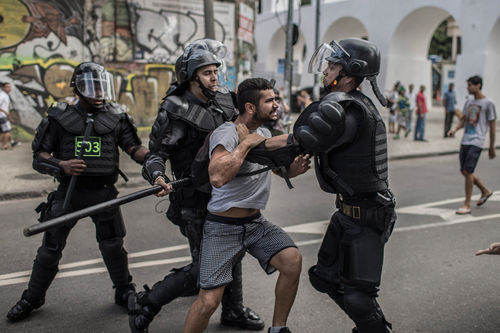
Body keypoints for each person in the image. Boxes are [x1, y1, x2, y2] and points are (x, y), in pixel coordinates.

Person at [131, 39, 264, 332]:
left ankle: (233, 310)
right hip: (192, 199)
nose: (215, 76)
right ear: (191, 77)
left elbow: (244, 132)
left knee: (232, 251)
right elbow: (156, 154)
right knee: (207, 265)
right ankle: (148, 301)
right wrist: (157, 176)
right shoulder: (175, 109)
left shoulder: (226, 100)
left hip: (225, 192)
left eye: (216, 70)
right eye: (207, 72)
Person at [6, 62, 148, 322]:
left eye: (101, 87)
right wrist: (62, 165)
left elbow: (132, 148)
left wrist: (153, 159)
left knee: (113, 245)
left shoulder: (116, 115)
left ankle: (123, 291)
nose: (98, 93)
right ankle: (32, 297)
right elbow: (39, 157)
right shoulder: (59, 116)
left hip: (103, 192)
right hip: (69, 194)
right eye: (92, 87)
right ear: (79, 88)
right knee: (50, 248)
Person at [182, 78, 309, 333]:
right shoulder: (226, 133)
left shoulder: (262, 134)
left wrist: (292, 170)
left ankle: (278, 329)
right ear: (250, 107)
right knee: (209, 301)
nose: (277, 105)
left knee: (291, 260)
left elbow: (273, 169)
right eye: (270, 100)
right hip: (222, 226)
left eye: (276, 99)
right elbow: (217, 176)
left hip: (254, 224)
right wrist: (245, 143)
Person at [300, 38, 396, 332]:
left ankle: (374, 328)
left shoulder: (347, 110)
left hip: (368, 215)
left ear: (350, 72)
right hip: (348, 212)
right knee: (324, 277)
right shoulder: (353, 104)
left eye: (332, 66)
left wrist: (251, 144)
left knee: (357, 296)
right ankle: (369, 323)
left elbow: (300, 142)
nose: (326, 70)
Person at [447, 75, 496, 215]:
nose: (468, 88)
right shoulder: (469, 102)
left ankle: (467, 204)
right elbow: (464, 120)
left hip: (477, 141)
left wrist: (492, 146)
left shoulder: (488, 103)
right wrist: (455, 129)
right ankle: (485, 191)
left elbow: (492, 126)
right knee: (464, 171)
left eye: (470, 85)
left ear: (478, 85)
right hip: (465, 140)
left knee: (468, 171)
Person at [0, 82, 19, 149]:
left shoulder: (6, 95)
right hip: (2, 116)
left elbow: (6, 107)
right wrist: (6, 113)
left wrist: (9, 116)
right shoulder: (2, 95)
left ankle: (12, 142)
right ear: (3, 88)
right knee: (7, 131)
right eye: (7, 87)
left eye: (10, 87)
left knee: (4, 131)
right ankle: (4, 145)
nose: (9, 88)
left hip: (4, 116)